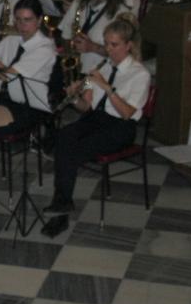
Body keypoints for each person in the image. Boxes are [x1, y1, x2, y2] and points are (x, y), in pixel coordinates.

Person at [45, 13, 150, 218]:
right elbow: (86, 107)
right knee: (64, 136)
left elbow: (127, 113)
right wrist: (74, 96)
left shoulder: (140, 74)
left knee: (75, 149)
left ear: (128, 45)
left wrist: (106, 86)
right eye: (106, 44)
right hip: (97, 119)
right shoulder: (103, 67)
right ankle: (62, 200)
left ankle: (63, 200)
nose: (108, 50)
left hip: (121, 127)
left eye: (114, 45)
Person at [0, 0, 57, 134]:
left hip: (29, 106)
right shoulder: (13, 39)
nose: (21, 25)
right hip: (5, 98)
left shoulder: (45, 49)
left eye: (27, 20)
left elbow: (8, 75)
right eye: (18, 19)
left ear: (39, 20)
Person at [58, 0, 131, 74]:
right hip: (77, 69)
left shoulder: (121, 13)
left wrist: (92, 47)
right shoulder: (78, 3)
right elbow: (65, 35)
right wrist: (70, 49)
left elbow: (124, 53)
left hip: (102, 74)